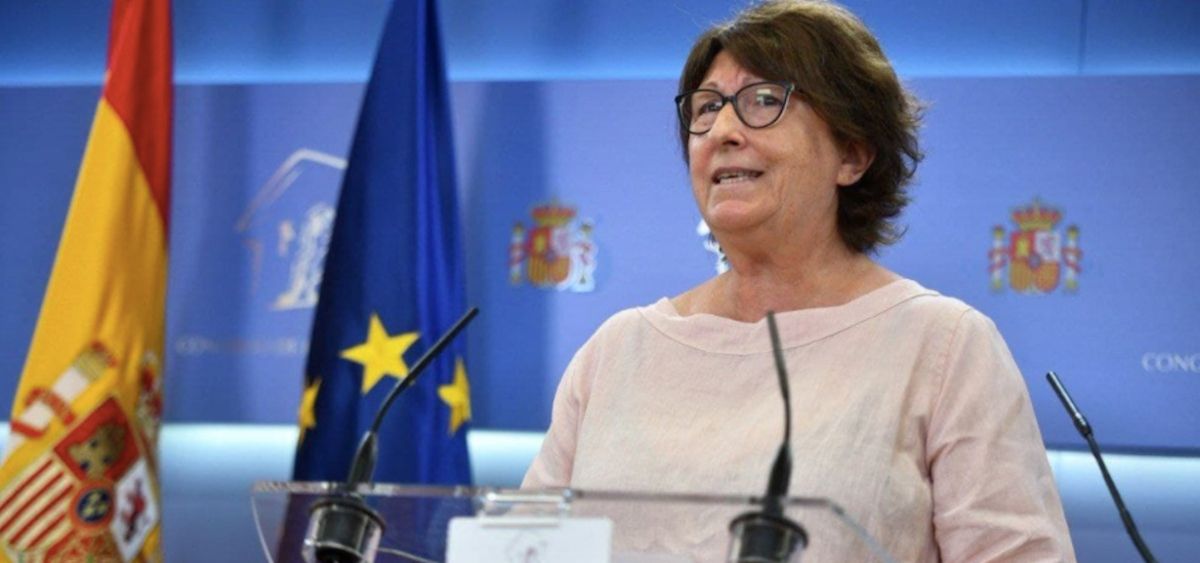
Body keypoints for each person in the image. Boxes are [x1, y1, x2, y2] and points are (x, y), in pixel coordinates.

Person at [522, 1, 1076, 560]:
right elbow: (526, 545)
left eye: (764, 100)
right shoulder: (618, 351)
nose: (723, 131)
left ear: (852, 154)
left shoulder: (945, 347)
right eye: (707, 107)